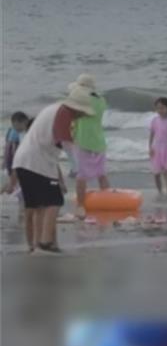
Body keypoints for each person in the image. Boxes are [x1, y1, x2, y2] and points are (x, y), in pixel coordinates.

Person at [12, 85, 95, 253]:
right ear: (76, 107)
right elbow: (65, 140)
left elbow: (59, 140)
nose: (82, 115)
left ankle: (41, 245)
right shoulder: (64, 112)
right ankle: (45, 243)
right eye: (82, 112)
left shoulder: (54, 110)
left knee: (39, 206)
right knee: (54, 201)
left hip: (26, 161)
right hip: (36, 162)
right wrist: (75, 166)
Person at [68, 74, 111, 217]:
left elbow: (74, 119)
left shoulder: (82, 102)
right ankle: (107, 202)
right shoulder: (101, 101)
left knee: (81, 176)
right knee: (102, 174)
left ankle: (81, 206)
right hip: (99, 141)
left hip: (83, 140)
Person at [149, 97, 167, 197]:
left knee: (166, 172)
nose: (160, 110)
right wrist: (150, 147)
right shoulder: (155, 120)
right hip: (156, 150)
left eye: (162, 108)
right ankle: (160, 192)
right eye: (158, 108)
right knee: (156, 173)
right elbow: (152, 134)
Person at [3, 111, 29, 192]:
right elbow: (10, 146)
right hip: (14, 157)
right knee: (15, 180)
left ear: (25, 122)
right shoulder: (17, 132)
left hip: (19, 159)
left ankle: (9, 188)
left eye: (16, 126)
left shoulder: (24, 132)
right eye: (14, 126)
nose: (16, 128)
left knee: (16, 180)